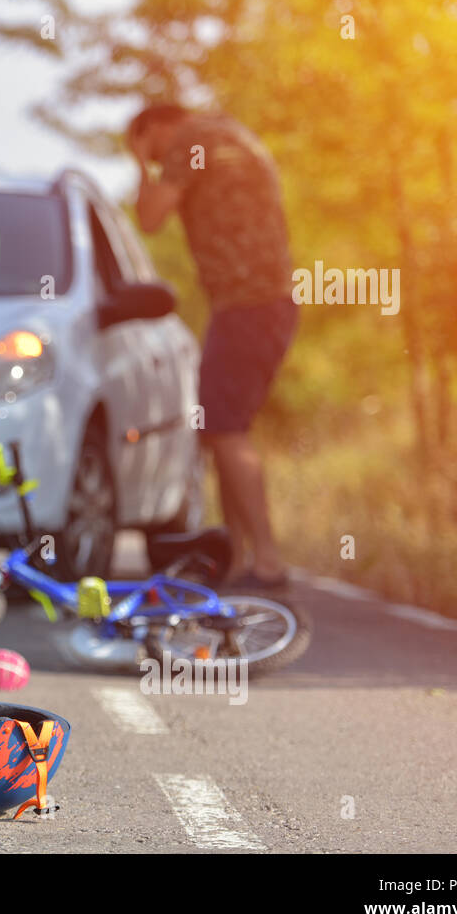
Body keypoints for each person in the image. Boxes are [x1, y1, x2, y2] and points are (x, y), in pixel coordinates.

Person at [128, 103, 298, 589]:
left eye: (150, 145)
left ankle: (266, 560)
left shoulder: (190, 141)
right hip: (268, 302)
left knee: (224, 429)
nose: (157, 160)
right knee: (227, 427)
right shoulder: (234, 134)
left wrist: (141, 162)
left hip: (248, 304)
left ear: (155, 128)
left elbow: (150, 216)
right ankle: (240, 556)